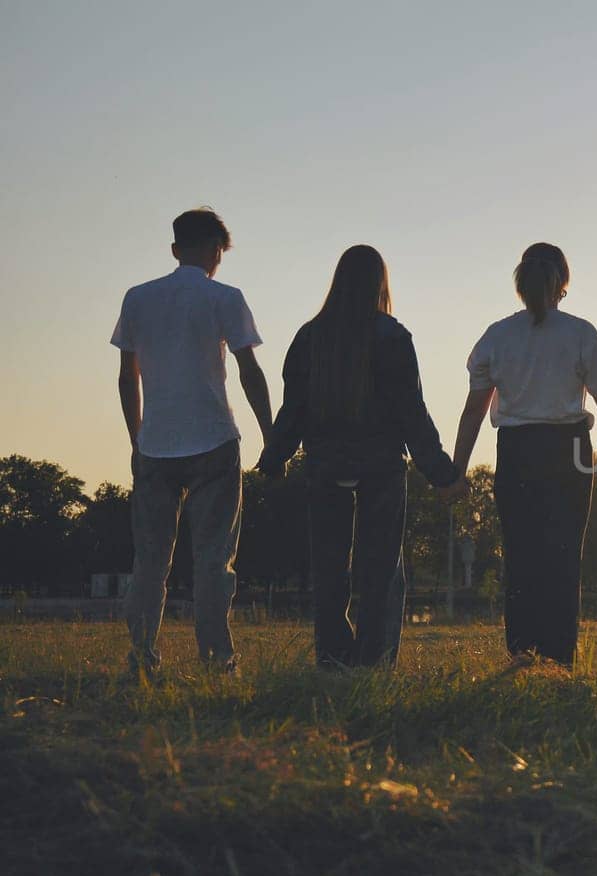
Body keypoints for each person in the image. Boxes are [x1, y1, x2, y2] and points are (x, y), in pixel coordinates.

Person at [258, 245, 465, 669]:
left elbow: (292, 410)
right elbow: (412, 414)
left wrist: (274, 456)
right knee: (382, 569)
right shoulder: (392, 336)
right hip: (380, 465)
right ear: (380, 284)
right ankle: (374, 658)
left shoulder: (308, 337)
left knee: (329, 567)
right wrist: (442, 474)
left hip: (324, 464)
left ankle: (333, 656)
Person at [452, 243, 597, 668]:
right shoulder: (581, 333)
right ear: (562, 283)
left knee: (521, 556)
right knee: (563, 556)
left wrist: (457, 469)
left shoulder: (497, 337)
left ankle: (522, 654)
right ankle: (559, 658)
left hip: (517, 451)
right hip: (569, 451)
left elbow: (474, 412)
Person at [111, 208, 273, 676]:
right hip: (214, 439)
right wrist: (271, 435)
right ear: (216, 250)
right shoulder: (225, 297)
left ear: (175, 249)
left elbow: (128, 378)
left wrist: (136, 438)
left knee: (150, 561)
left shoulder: (138, 298)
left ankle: (141, 657)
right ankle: (216, 660)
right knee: (213, 559)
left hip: (156, 442)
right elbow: (249, 371)